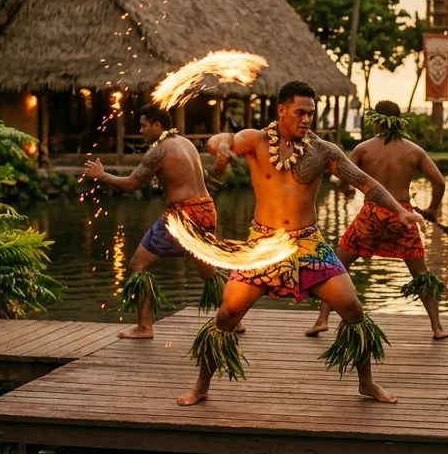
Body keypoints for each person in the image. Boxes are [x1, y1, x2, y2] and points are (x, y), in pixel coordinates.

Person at [177, 80, 425, 407]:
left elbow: (365, 182)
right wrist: (220, 146)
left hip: (308, 245)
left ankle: (367, 383)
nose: (307, 119)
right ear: (281, 111)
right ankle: (201, 386)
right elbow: (224, 139)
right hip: (263, 245)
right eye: (300, 112)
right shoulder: (256, 140)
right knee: (226, 315)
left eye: (311, 113)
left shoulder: (322, 151)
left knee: (353, 309)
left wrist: (398, 211)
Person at [306, 100, 448, 340]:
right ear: (398, 121)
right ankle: (437, 327)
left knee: (337, 265)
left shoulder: (363, 149)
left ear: (376, 121)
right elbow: (440, 182)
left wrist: (347, 190)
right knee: (421, 274)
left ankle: (322, 320)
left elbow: (344, 179)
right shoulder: (414, 151)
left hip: (372, 214)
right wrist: (433, 209)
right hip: (402, 215)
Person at [83, 104, 225, 339]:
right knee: (208, 272)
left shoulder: (158, 151)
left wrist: (102, 175)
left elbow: (131, 185)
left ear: (158, 125)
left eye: (143, 125)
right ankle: (233, 319)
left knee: (138, 265)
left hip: (183, 216)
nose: (140, 130)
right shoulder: (186, 143)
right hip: (207, 209)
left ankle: (144, 327)